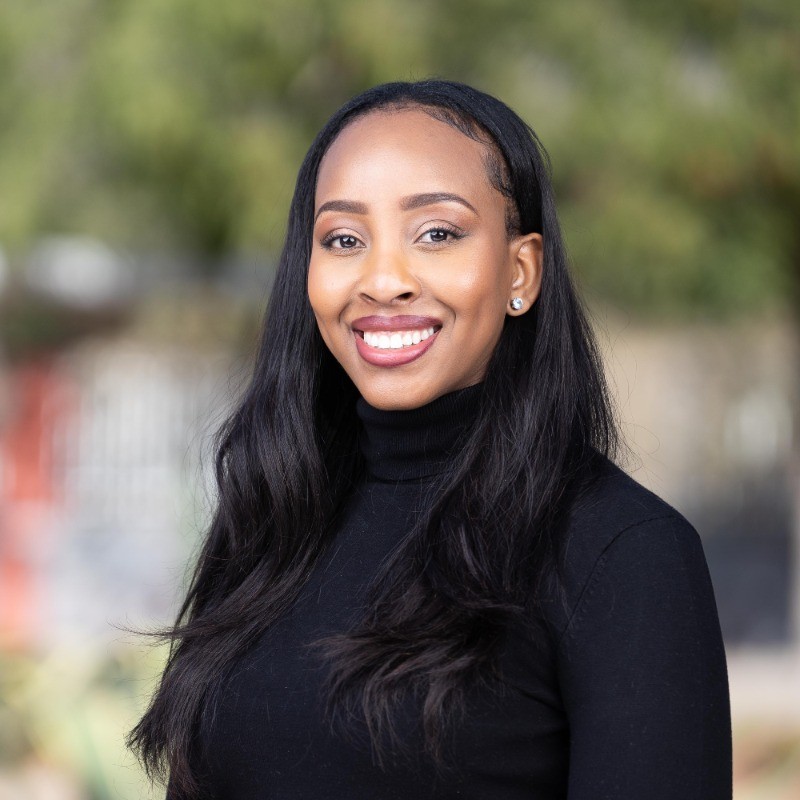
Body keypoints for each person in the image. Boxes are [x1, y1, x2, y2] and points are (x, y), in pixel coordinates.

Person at [129, 79, 732, 799]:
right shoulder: (271, 521)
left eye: (437, 233)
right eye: (344, 239)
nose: (384, 281)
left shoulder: (623, 551)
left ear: (521, 270)